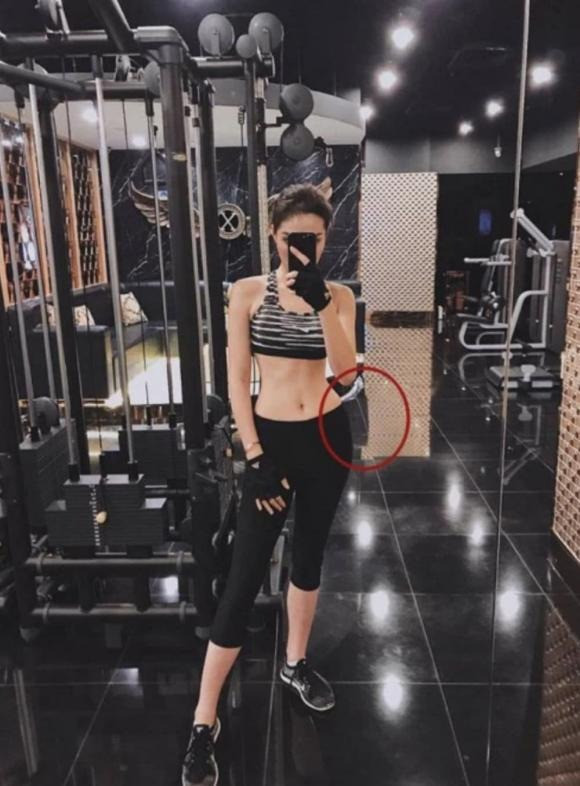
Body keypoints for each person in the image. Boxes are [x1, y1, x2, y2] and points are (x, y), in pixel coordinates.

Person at [182, 183, 357, 786]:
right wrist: (253, 456)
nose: (303, 247)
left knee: (308, 559)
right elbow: (236, 380)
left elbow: (347, 376)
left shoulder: (340, 296)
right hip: (271, 445)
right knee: (243, 578)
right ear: (274, 237)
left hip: (328, 440)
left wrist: (323, 305)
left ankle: (295, 663)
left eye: (315, 238)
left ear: (325, 239)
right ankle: (204, 719)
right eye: (292, 238)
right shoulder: (248, 292)